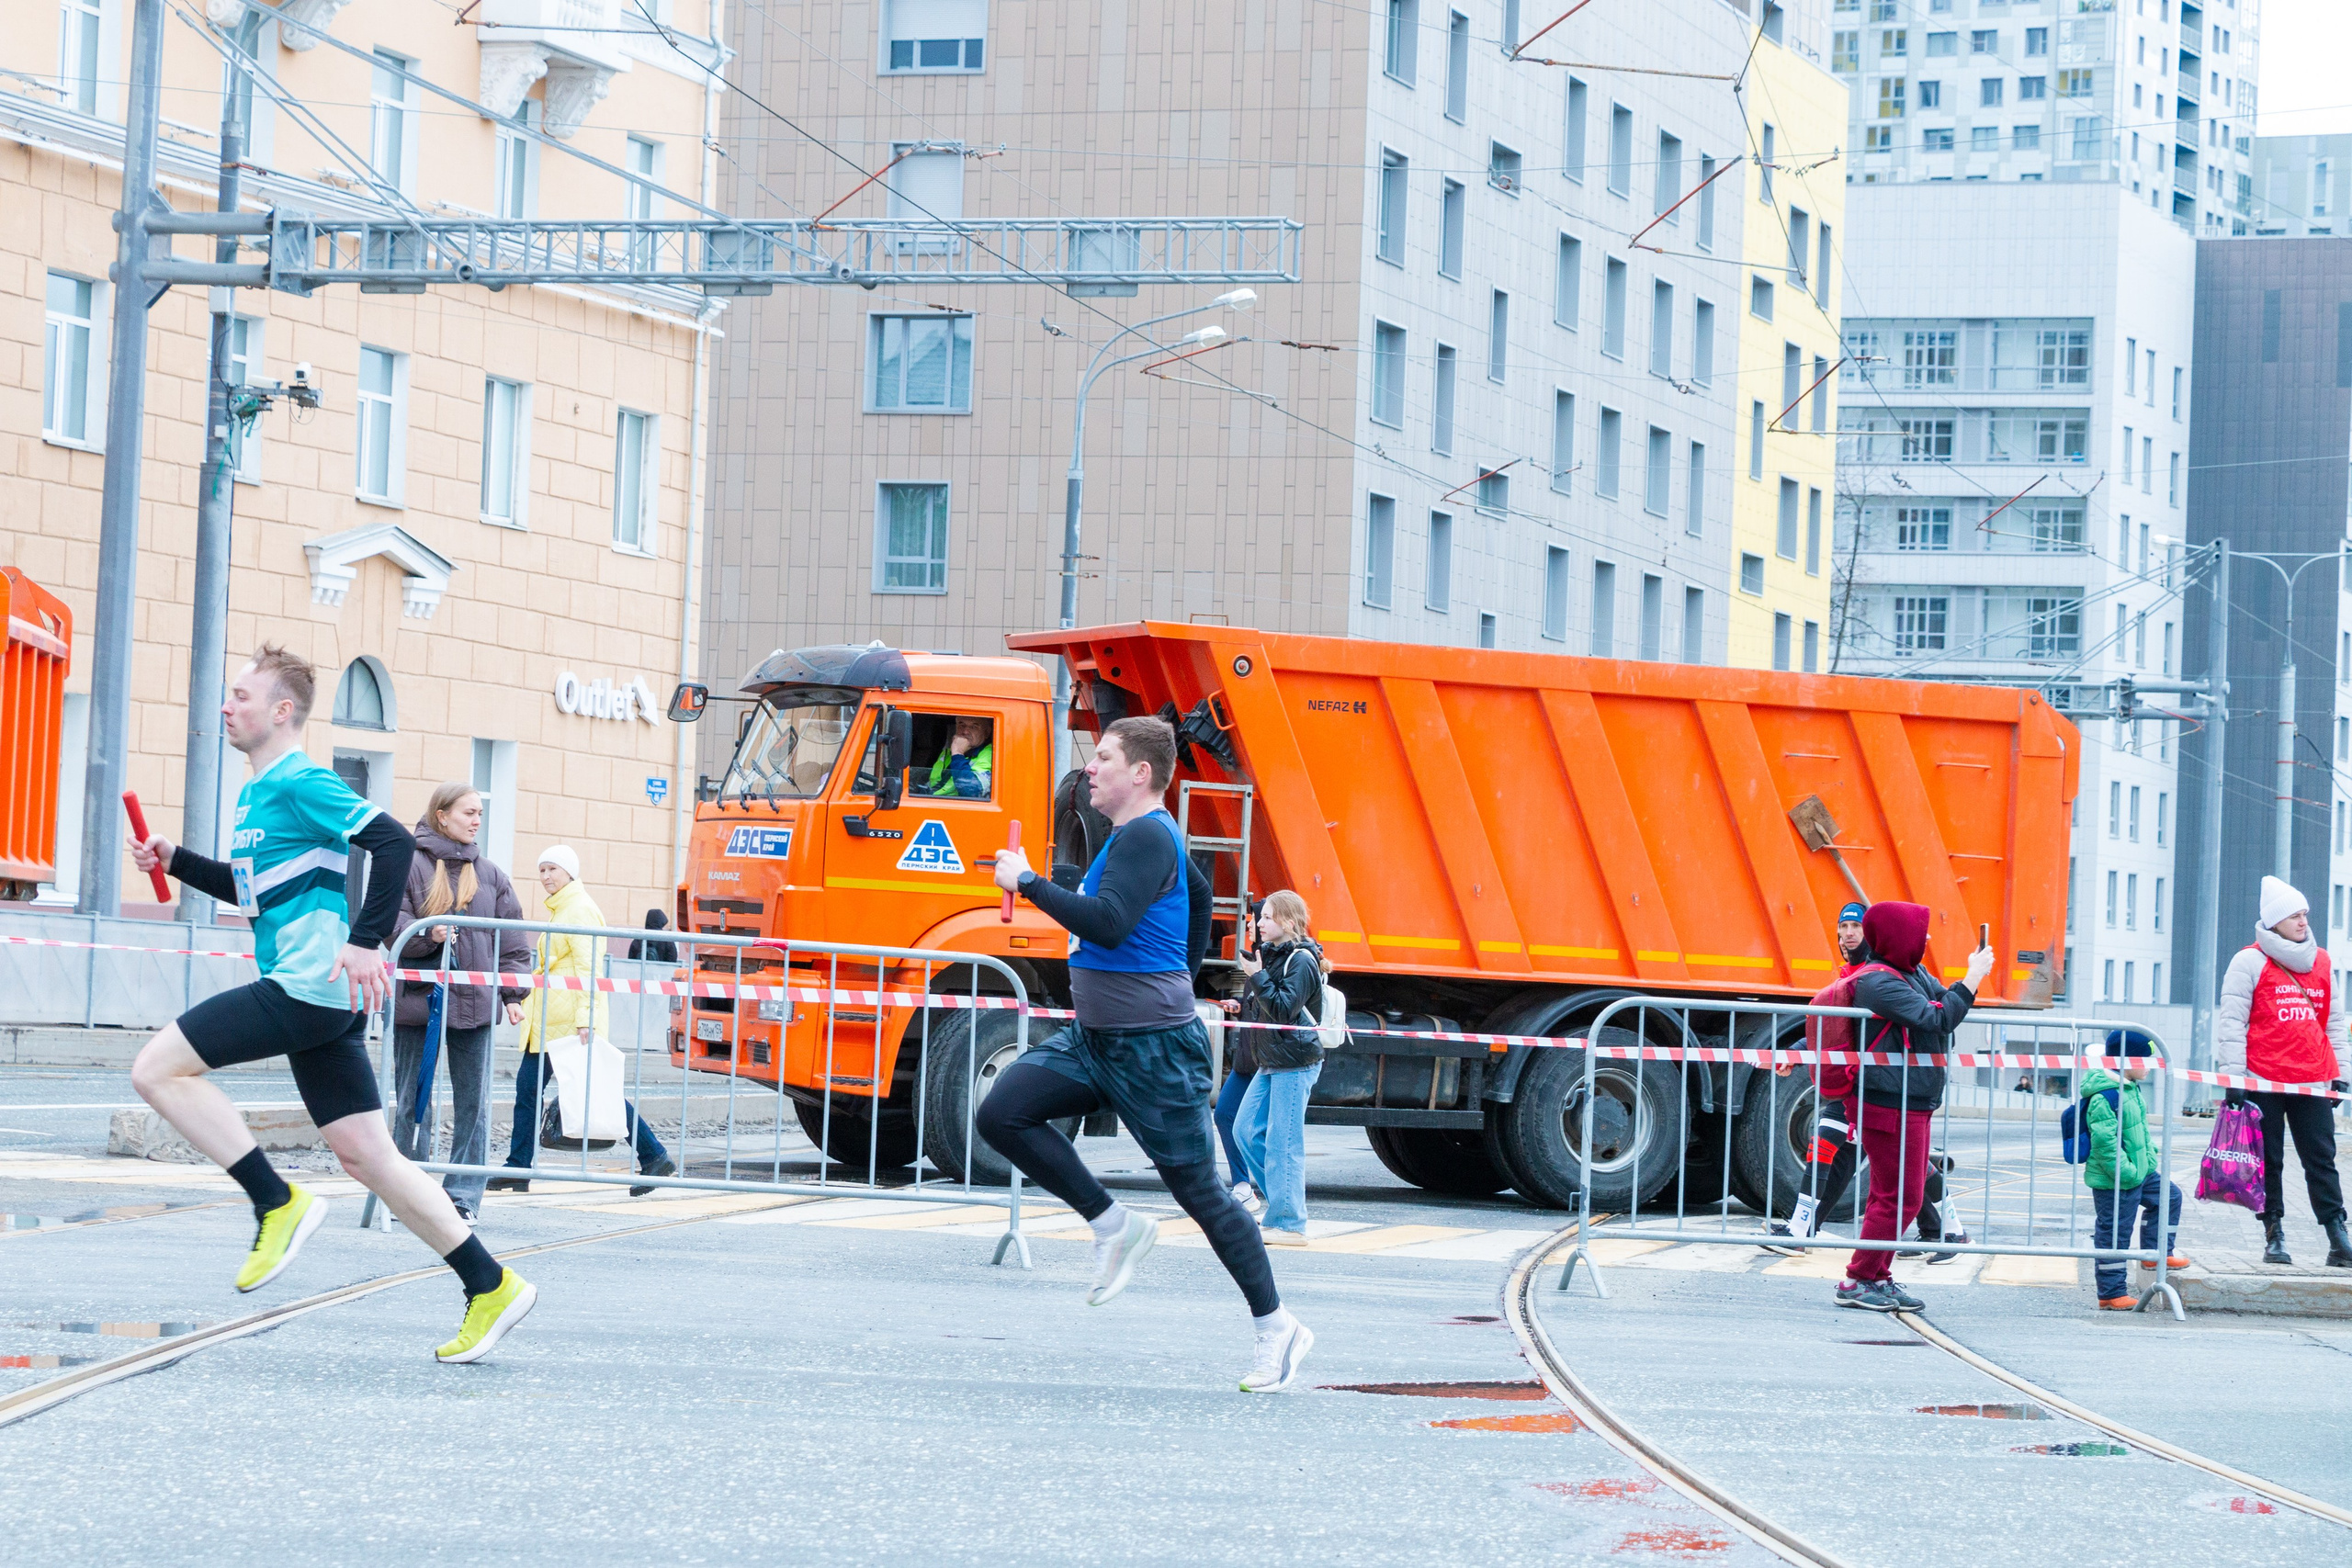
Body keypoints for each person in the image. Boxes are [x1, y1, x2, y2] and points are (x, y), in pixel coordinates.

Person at [127, 645, 534, 1364]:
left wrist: (367, 940)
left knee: (157, 1069)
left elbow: (386, 840)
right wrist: (177, 861)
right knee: (370, 1157)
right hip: (318, 992)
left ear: (282, 711)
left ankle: (274, 1200)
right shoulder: (257, 795)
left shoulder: (299, 780)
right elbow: (254, 892)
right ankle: (490, 1282)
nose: (228, 705)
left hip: (307, 985)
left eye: (242, 696)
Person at [983, 716, 1313, 1393]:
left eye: (1103, 756)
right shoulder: (1141, 840)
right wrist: (1174, 973)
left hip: (1154, 1051)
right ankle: (1114, 1225)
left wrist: (1030, 884)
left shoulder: (1148, 834)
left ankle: (1278, 1327)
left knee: (1202, 1195)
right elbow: (1193, 896)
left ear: (1140, 772)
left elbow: (1106, 923)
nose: (1091, 766)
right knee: (1002, 1113)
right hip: (1097, 1039)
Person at [1832, 901, 1993, 1314]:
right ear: (1899, 937)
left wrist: (1967, 983)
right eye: (1920, 933)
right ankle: (1859, 1278)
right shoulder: (1876, 982)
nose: (1926, 939)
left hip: (1911, 1100)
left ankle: (1877, 1275)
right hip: (1888, 1103)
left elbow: (1948, 1006)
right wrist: (1972, 977)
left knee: (1894, 1194)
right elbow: (1936, 1018)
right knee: (1899, 1197)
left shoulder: (1911, 973)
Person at [488, 849, 677, 1198]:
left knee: (595, 1094)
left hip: (570, 1023)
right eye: (541, 869)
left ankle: (655, 1156)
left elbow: (589, 969)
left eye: (552, 869)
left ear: (569, 872)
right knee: (528, 1091)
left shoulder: (580, 909)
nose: (545, 875)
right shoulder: (564, 908)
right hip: (550, 1022)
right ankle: (518, 1166)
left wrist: (586, 1019)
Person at [391, 782, 530, 1224]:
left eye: (479, 815)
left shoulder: (490, 875)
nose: (475, 821)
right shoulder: (408, 865)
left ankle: (462, 1198)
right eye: (468, 812)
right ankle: (409, 1195)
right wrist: (426, 934)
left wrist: (512, 994)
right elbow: (390, 923)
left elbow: (512, 941)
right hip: (419, 1005)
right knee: (413, 1101)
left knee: (475, 1105)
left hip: (475, 1007)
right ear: (441, 815)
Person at [2216, 875, 2352, 1268]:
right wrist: (2234, 1077)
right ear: (2274, 921)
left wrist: (2341, 1072)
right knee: (2269, 1161)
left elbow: (2333, 1022)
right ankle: (2274, 1234)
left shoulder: (2322, 961)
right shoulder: (2249, 961)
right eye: (2294, 915)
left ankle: (2337, 1236)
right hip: (2264, 1079)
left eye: (2305, 914)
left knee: (2321, 1160)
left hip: (2312, 1079)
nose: (2303, 922)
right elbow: (2233, 1023)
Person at [1234, 891, 1329, 1246]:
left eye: (1268, 917)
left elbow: (1284, 1010)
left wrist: (1257, 977)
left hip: (1295, 1061)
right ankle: (1282, 1203)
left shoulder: (1301, 960)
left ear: (1288, 922)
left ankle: (1290, 1223)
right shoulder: (1275, 956)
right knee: (1244, 1130)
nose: (1260, 923)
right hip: (1273, 1060)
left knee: (1283, 1144)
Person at [2082, 1026, 2188, 1309]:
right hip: (2116, 1178)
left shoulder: (2130, 1089)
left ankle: (2156, 1251)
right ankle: (2111, 1293)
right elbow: (2105, 1145)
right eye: (2147, 1061)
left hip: (2138, 1173)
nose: (2152, 1068)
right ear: (2127, 1061)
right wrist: (2127, 1172)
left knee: (2170, 1196)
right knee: (2115, 1235)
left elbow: (2137, 1131)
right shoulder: (2106, 1096)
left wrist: (2149, 1160)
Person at [922, 716, 993, 798]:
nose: (965, 732)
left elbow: (971, 792)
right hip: (934, 803)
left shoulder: (991, 755)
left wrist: (958, 753)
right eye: (961, 725)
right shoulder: (948, 752)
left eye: (974, 727)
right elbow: (932, 784)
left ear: (987, 732)